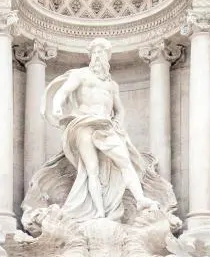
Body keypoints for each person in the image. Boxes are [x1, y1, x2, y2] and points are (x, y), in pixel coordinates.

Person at [44, 38, 152, 223]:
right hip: (83, 124)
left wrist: (118, 121)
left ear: (108, 56)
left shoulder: (112, 85)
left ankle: (140, 199)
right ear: (90, 56)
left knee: (125, 161)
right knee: (91, 168)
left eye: (101, 52)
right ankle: (99, 213)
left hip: (106, 127)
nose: (97, 55)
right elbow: (63, 92)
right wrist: (56, 106)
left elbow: (120, 110)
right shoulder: (81, 75)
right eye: (94, 52)